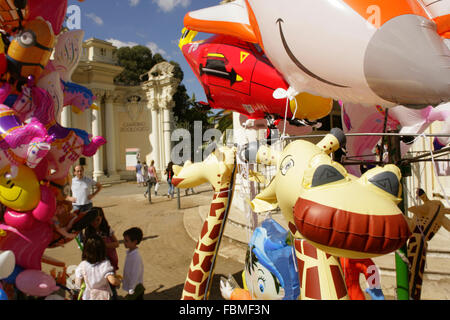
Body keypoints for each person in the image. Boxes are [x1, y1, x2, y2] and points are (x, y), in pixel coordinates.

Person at [83, 207, 120, 299]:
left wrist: (105, 245)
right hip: (94, 262)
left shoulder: (107, 230)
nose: (95, 223)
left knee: (110, 284)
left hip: (109, 260)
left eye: (98, 220)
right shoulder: (88, 232)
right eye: (92, 221)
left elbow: (117, 243)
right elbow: (86, 248)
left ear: (102, 217)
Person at [75, 234, 121, 300]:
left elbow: (78, 283)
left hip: (89, 296)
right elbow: (113, 281)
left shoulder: (82, 265)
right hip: (103, 296)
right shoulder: (105, 264)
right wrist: (119, 281)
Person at [122, 227, 145, 300]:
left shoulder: (136, 257)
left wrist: (131, 289)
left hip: (136, 289)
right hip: (133, 288)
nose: (124, 242)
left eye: (126, 241)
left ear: (134, 241)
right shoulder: (130, 253)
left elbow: (135, 274)